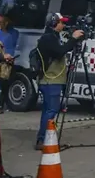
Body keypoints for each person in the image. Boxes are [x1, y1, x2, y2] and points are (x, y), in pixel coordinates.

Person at [35, 13, 85, 150]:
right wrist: (73, 39)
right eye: (61, 23)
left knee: (48, 111)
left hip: (53, 79)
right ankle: (44, 140)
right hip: (50, 80)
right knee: (51, 111)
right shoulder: (48, 38)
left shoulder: (54, 37)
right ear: (53, 23)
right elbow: (60, 51)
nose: (63, 25)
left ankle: (45, 138)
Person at [0, 12, 20, 113]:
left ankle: (1, 104)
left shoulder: (13, 33)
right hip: (1, 59)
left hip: (9, 60)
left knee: (5, 84)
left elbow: (14, 44)